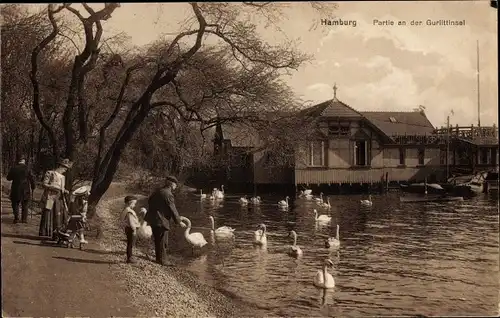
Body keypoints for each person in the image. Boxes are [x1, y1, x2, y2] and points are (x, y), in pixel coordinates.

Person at [144, 176, 185, 266]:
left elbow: (150, 201)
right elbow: (172, 208)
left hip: (153, 219)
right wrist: (179, 221)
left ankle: (158, 258)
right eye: (175, 184)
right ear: (171, 184)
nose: (176, 186)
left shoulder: (157, 191)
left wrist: (157, 210)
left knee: (157, 239)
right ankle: (163, 261)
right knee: (163, 241)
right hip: (161, 220)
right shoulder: (168, 194)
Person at [39, 158, 72, 240]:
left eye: (66, 168)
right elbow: (44, 184)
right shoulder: (50, 173)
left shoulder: (63, 177)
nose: (65, 170)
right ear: (60, 166)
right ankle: (47, 233)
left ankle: (57, 234)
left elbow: (62, 188)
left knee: (59, 215)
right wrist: (53, 187)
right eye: (64, 168)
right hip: (50, 197)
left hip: (60, 198)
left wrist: (65, 191)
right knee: (49, 214)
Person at [6, 159, 36, 224]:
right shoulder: (28, 168)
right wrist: (33, 186)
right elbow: (32, 179)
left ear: (18, 161)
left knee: (15, 204)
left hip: (15, 189)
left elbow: (8, 178)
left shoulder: (13, 168)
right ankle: (24, 219)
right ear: (24, 161)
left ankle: (16, 218)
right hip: (26, 189)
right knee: (25, 204)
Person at [121, 195, 142, 263]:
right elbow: (131, 221)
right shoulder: (129, 211)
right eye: (134, 203)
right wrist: (134, 230)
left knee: (130, 243)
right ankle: (130, 258)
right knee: (131, 244)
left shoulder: (126, 209)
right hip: (131, 229)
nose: (134, 205)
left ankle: (130, 257)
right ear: (130, 203)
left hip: (128, 228)